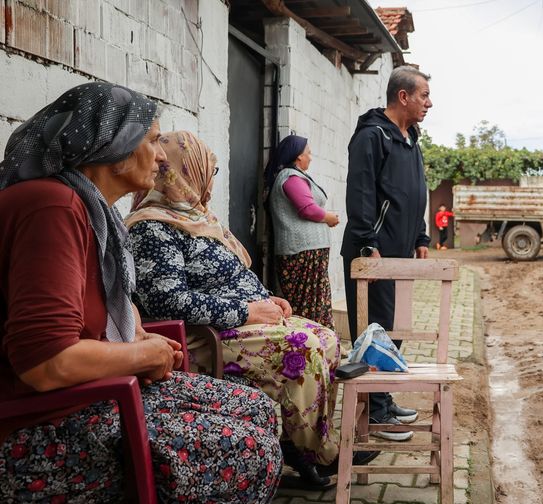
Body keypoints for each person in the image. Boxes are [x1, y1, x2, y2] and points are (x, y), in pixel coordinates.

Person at [0, 84, 281, 502]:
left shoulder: (93, 210)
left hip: (83, 397)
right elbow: (45, 363)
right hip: (34, 426)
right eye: (152, 140)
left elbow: (92, 307)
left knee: (256, 408)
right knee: (248, 449)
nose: (162, 155)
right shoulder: (52, 207)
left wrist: (137, 335)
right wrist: (142, 355)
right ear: (113, 146)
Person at [125, 131, 362, 490]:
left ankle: (302, 444)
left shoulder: (196, 217)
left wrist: (268, 298)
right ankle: (318, 453)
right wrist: (246, 311)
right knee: (304, 347)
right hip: (206, 336)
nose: (210, 179)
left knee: (327, 337)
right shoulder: (153, 227)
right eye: (210, 170)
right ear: (186, 171)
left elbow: (232, 275)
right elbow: (167, 301)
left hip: (237, 321)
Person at [341, 66, 433, 440]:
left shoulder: (409, 138)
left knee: (393, 330)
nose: (430, 103)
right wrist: (368, 244)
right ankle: (375, 414)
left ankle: (384, 398)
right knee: (372, 331)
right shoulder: (371, 136)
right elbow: (360, 193)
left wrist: (421, 237)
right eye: (424, 95)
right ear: (403, 96)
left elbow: (416, 192)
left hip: (400, 252)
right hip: (374, 252)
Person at [264, 134, 339, 329]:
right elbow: (307, 208)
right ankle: (309, 343)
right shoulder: (291, 177)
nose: (311, 157)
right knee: (308, 305)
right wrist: (328, 217)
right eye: (309, 153)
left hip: (309, 253)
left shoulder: (294, 176)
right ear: (298, 156)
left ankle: (323, 343)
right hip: (302, 254)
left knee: (317, 302)